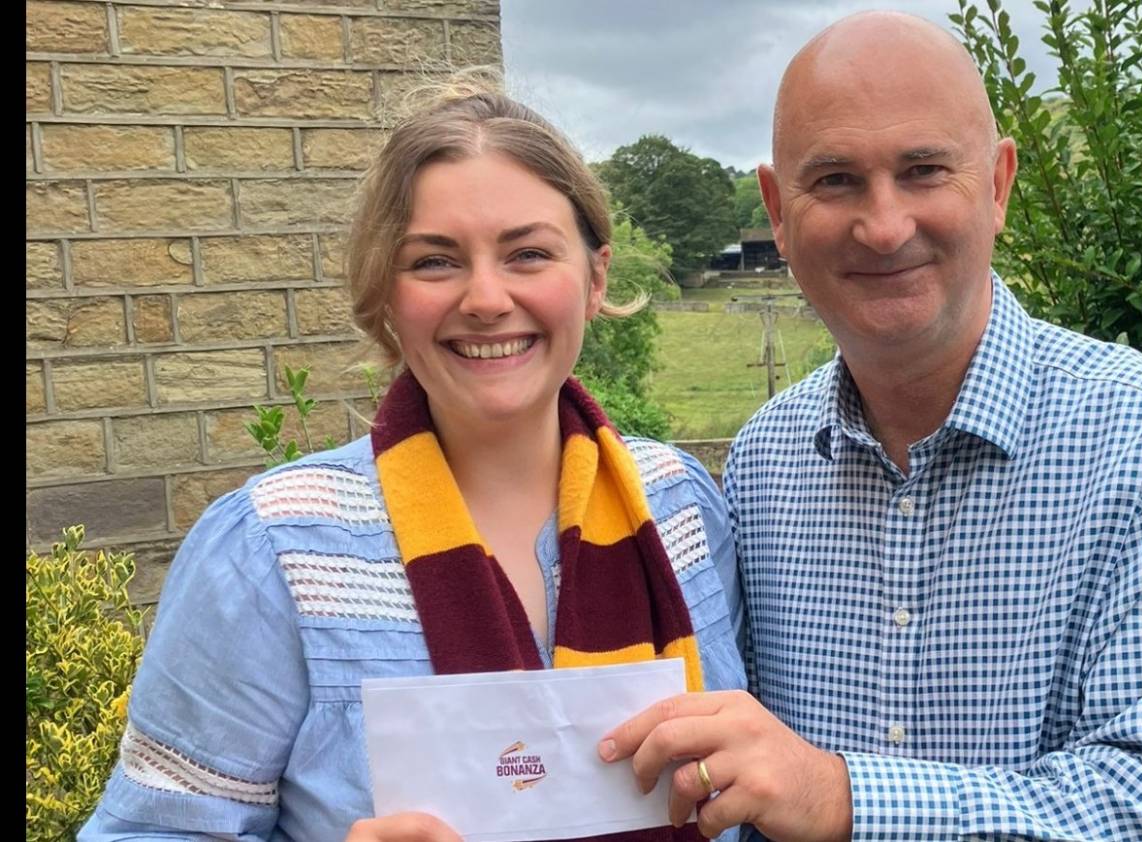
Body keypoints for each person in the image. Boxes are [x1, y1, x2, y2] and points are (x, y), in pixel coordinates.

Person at [600, 12, 1142, 842]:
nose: (884, 226)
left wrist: (845, 798)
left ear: (997, 185)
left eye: (923, 171)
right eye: (836, 180)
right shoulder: (765, 461)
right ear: (777, 210)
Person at [80, 69, 745, 842]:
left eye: (529, 253)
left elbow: (746, 786)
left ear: (594, 278)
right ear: (386, 294)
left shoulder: (681, 508)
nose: (486, 298)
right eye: (434, 261)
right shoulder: (274, 550)